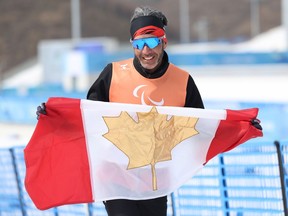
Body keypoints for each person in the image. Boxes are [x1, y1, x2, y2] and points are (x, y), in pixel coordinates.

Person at [36, 6, 262, 216]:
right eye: (138, 44)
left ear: (164, 41)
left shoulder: (182, 81)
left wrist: (240, 127)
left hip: (156, 180)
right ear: (132, 45)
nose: (146, 51)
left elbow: (200, 130)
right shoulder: (113, 73)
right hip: (116, 177)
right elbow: (87, 119)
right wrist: (55, 117)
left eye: (152, 41)